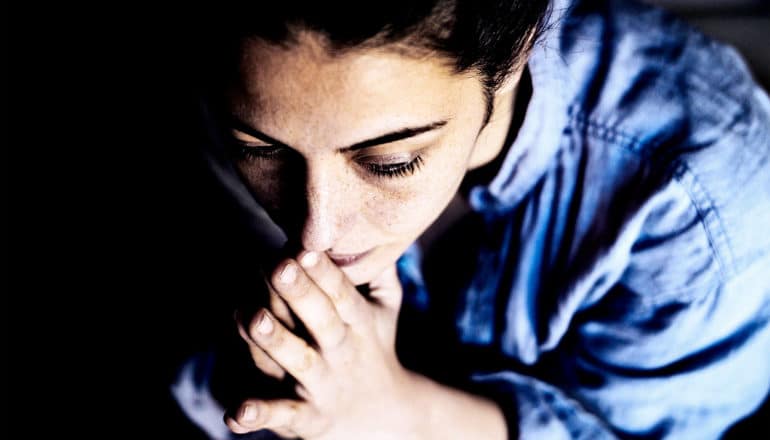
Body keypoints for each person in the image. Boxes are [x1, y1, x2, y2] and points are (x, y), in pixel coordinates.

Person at [169, 0, 770, 438]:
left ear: (512, 60)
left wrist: (399, 414)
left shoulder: (700, 195)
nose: (314, 234)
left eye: (392, 161)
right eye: (260, 149)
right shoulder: (209, 87)